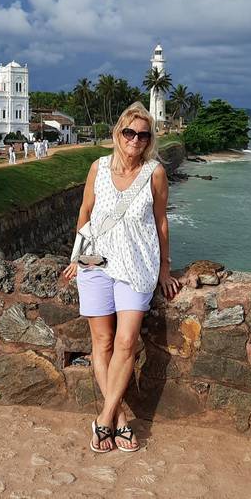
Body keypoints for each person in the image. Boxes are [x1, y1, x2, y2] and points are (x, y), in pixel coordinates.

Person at [63, 102, 179, 454]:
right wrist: (75, 257)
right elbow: (85, 212)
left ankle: (104, 419)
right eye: (129, 132)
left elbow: (161, 221)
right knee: (103, 343)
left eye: (143, 134)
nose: (136, 140)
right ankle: (121, 420)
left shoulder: (155, 172)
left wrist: (164, 269)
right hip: (95, 264)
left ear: (149, 139)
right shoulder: (97, 168)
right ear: (118, 133)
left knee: (126, 342)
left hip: (138, 265)